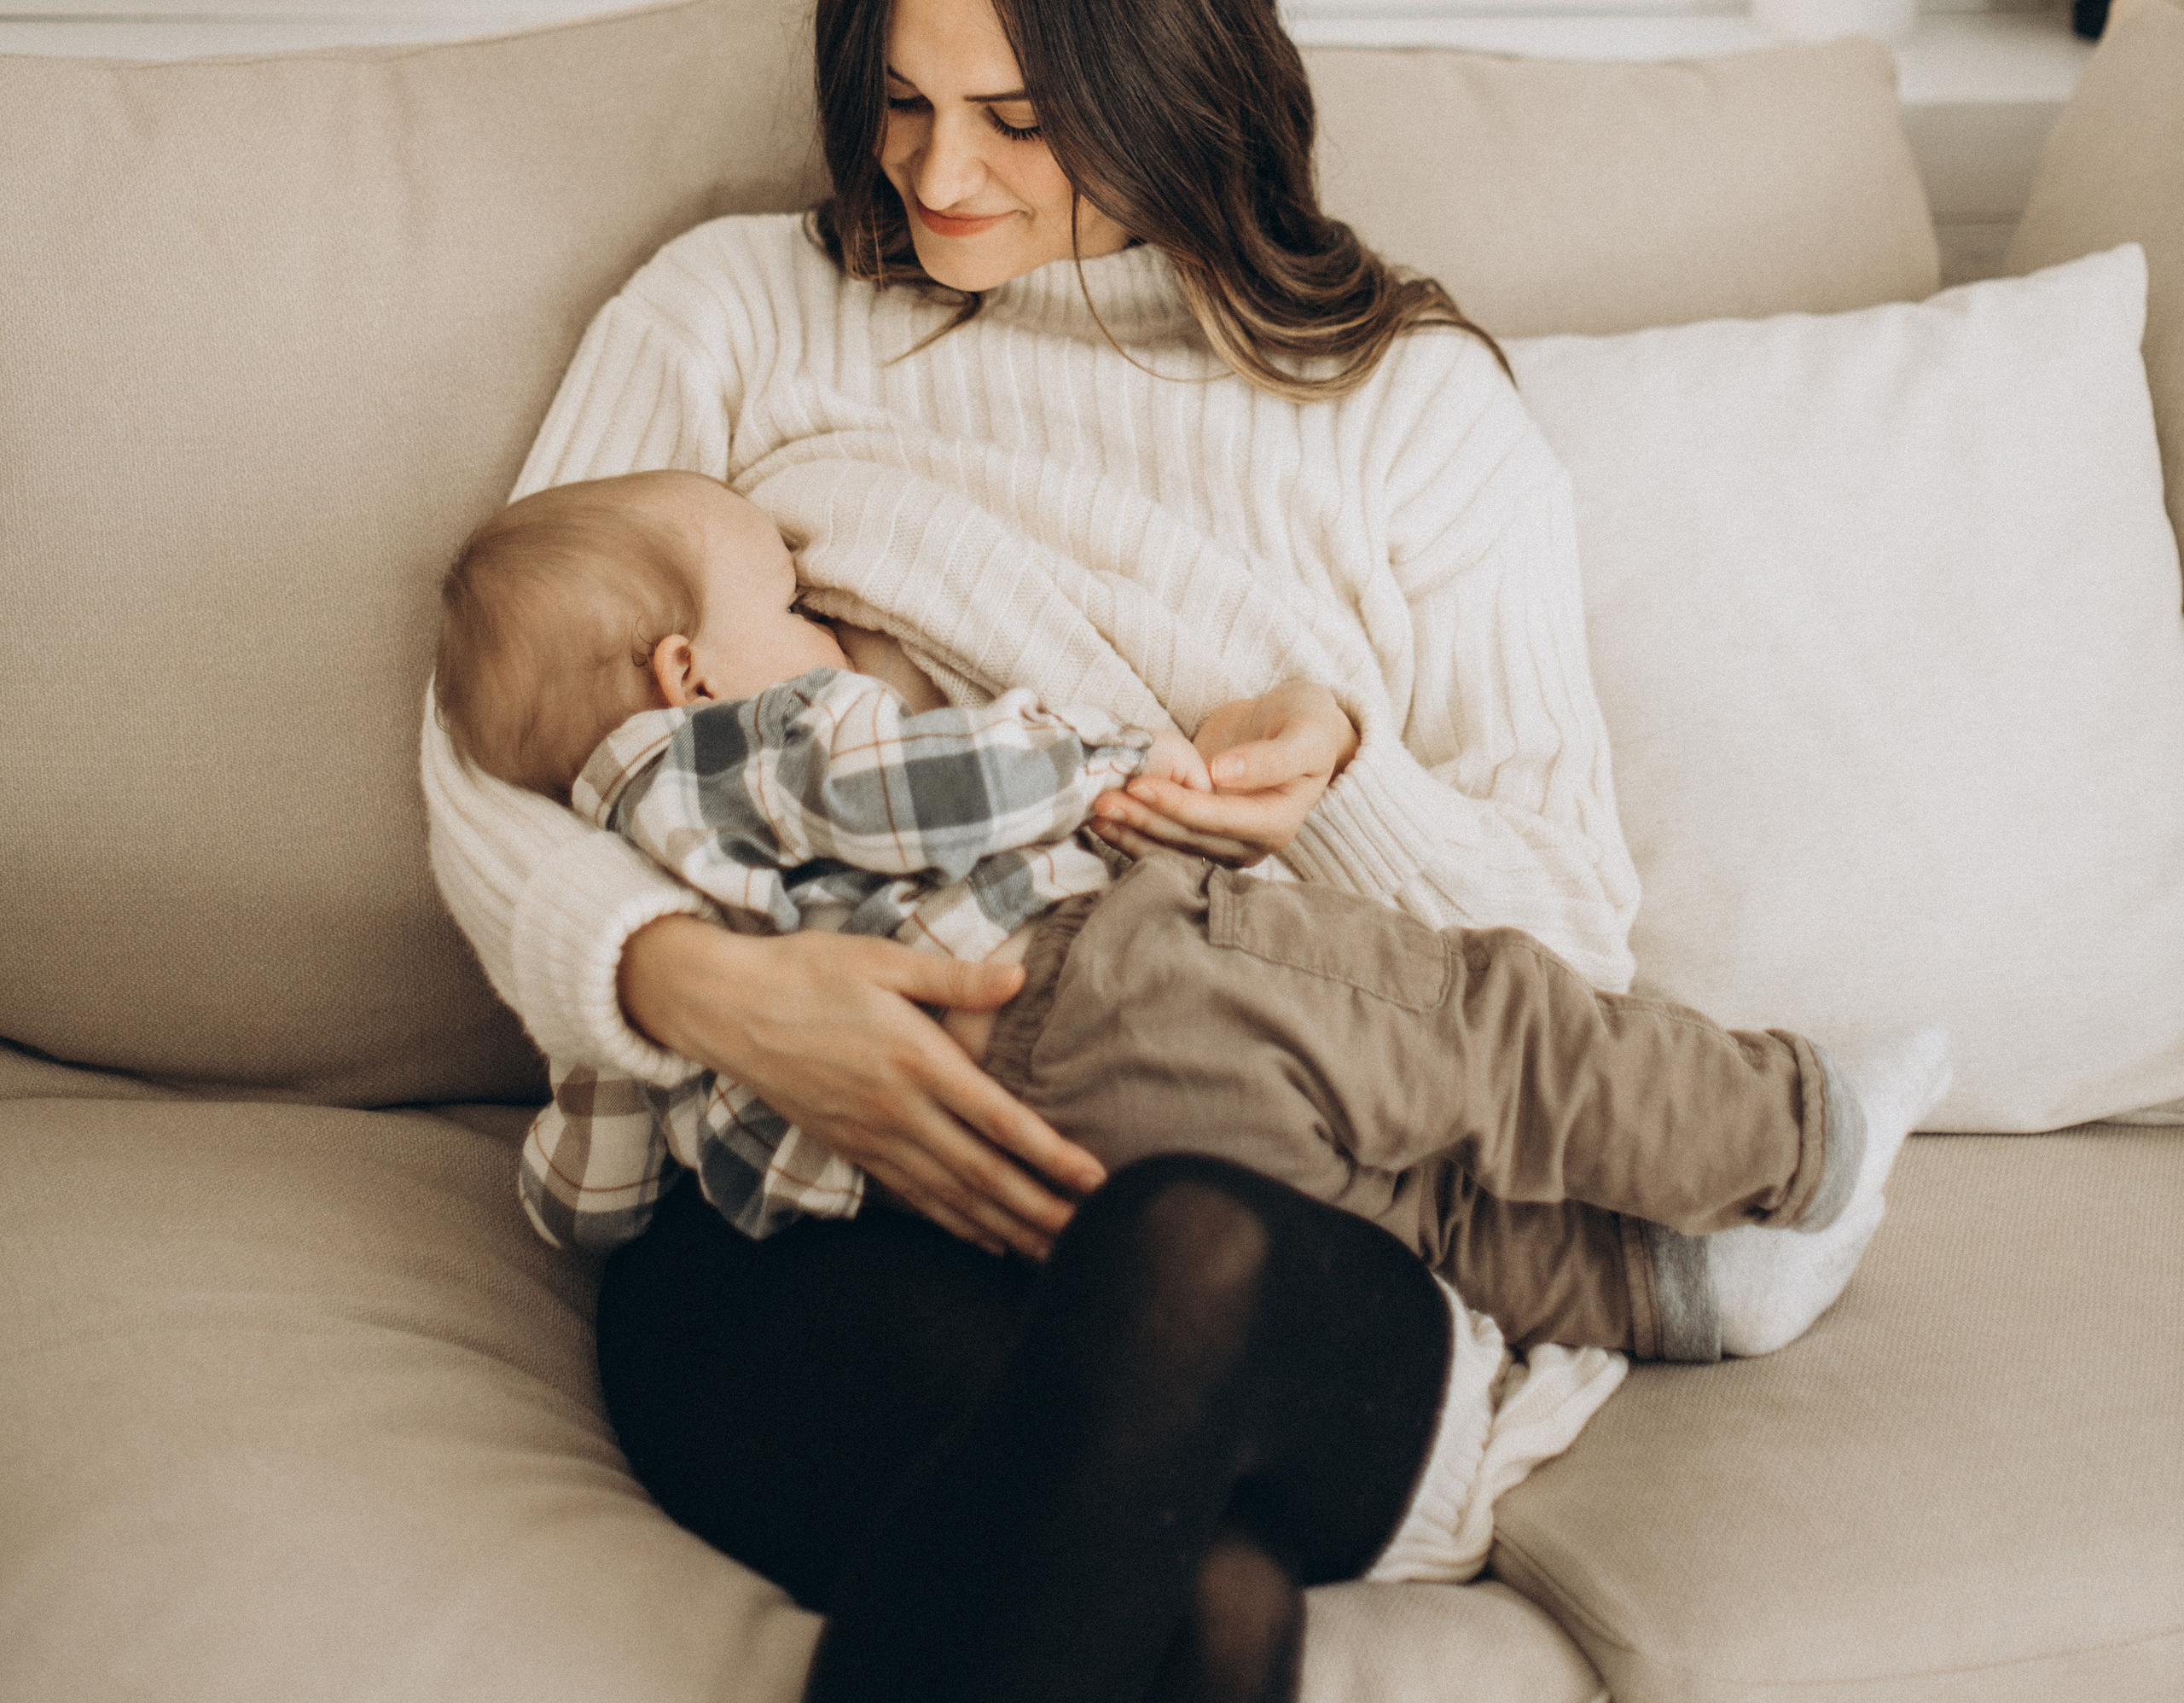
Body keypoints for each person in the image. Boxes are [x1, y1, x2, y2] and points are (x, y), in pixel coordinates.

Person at [416, 0, 1923, 1703]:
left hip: (1266, 1231)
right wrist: (697, 984)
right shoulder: (737, 316)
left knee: (1182, 1257)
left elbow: (1568, 943)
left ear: (1174, 82)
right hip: (815, 1244)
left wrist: (1350, 785)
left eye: (1021, 122)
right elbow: (490, 740)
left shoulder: (1408, 421)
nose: (940, 179)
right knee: (1203, 1609)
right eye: (904, 100)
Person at [434, 463, 1945, 1364]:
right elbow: (911, 785)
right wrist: (1096, 762)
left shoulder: (627, 863)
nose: (821, 626)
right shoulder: (765, 743)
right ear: (689, 671)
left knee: (1409, 1218)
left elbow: (582, 1184)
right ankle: (1803, 1137)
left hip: (1000, 1180)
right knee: (1473, 1030)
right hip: (1109, 979)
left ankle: (1679, 1291)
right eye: (789, 600)